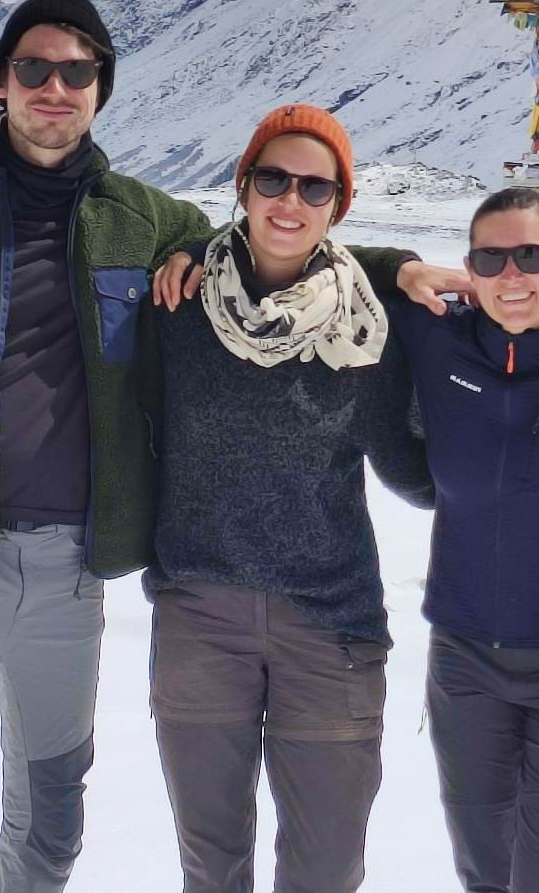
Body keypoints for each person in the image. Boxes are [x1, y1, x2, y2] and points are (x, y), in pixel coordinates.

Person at [0, 0, 441, 892]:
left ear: (101, 92)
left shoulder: (142, 220)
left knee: (50, 827)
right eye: (34, 70)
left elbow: (284, 246)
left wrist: (391, 265)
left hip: (70, 575)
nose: (55, 89)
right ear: (0, 83)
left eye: (77, 73)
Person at [143, 104, 436, 893]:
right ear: (243, 185)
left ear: (338, 206)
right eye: (273, 178)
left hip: (330, 625)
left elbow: (417, 476)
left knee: (325, 870)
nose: (290, 201)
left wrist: (525, 436)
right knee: (212, 865)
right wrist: (182, 249)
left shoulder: (367, 328)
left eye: (316, 188)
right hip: (201, 616)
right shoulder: (177, 303)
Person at [391, 186, 539, 893]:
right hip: (463, 664)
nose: (511, 276)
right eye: (490, 260)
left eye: (529, 255)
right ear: (468, 269)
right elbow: (314, 257)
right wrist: (400, 266)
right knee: (484, 873)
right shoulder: (435, 338)